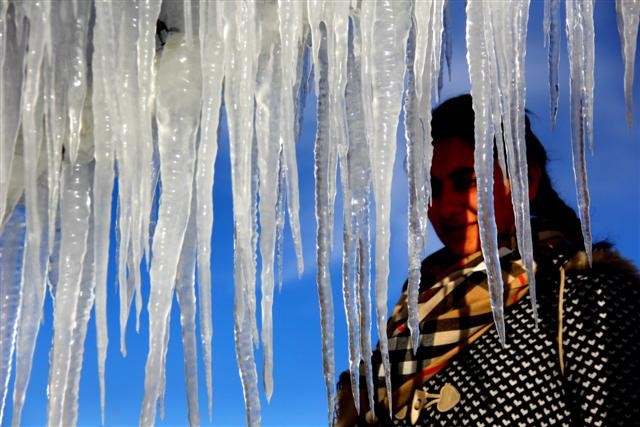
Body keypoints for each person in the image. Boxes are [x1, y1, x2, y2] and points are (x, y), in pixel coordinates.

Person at [334, 94, 640, 426]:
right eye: (432, 189)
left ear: (527, 181)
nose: (447, 205)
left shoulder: (586, 296)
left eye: (467, 181)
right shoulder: (408, 317)